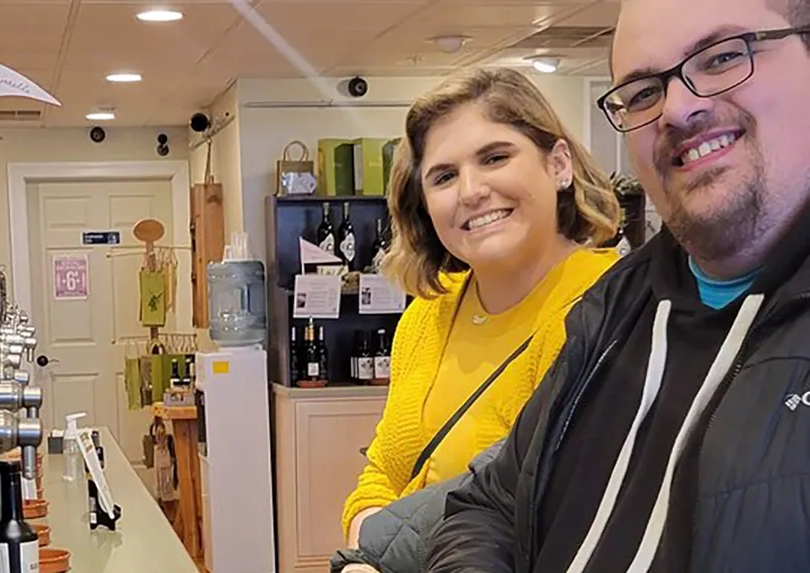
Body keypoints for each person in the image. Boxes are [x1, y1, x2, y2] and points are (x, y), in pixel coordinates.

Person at [426, 1, 810, 572]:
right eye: (642, 93)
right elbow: (492, 504)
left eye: (723, 57)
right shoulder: (610, 312)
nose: (678, 109)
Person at [341, 67, 622, 552]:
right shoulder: (428, 315)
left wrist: (389, 558)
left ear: (558, 164)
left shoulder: (607, 310)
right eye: (444, 176)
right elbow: (384, 471)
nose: (470, 191)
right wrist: (371, 543)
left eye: (495, 158)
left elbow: (552, 516)